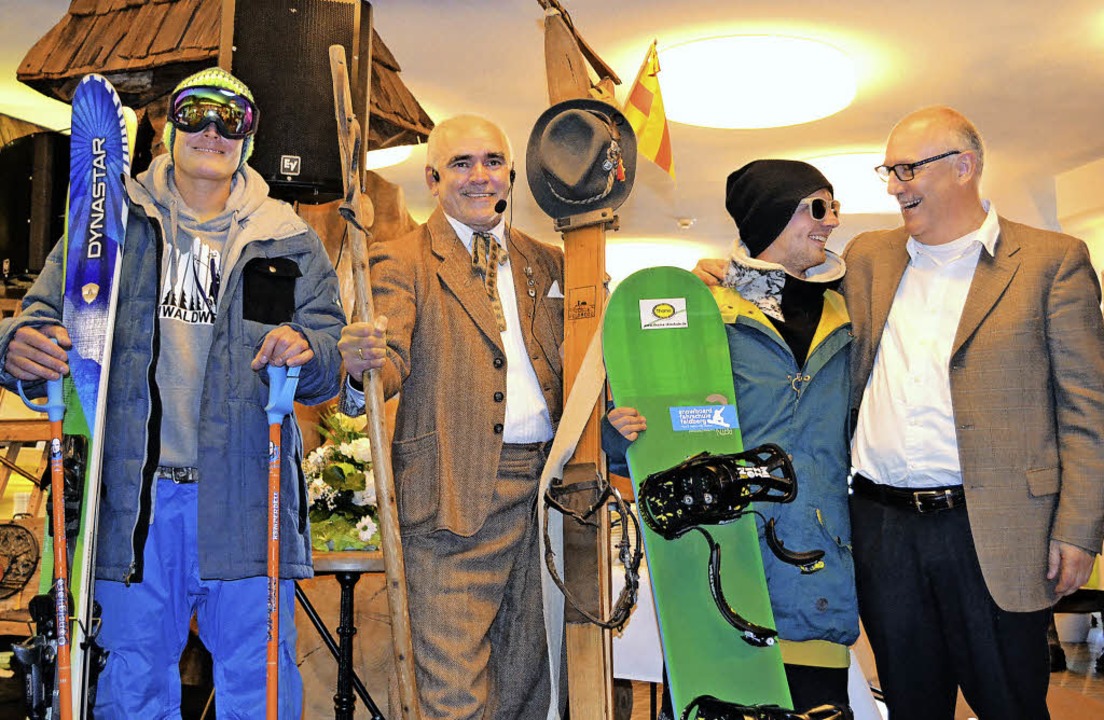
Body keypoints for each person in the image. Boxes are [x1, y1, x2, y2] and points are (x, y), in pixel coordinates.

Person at [694, 107, 1104, 718]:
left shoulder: (1051, 260)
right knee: (910, 704)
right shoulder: (868, 258)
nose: (893, 185)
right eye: (888, 170)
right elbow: (787, 288)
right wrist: (720, 278)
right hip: (882, 529)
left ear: (964, 167)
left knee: (1010, 703)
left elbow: (1086, 408)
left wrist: (1077, 528)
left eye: (907, 169)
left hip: (993, 529)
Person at [0, 67, 345, 718]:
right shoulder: (108, 221)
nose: (213, 130)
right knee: (130, 686)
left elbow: (331, 353)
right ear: (166, 128)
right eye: (195, 113)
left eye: (232, 118)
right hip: (133, 503)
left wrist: (310, 348)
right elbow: (40, 318)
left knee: (261, 689)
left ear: (250, 138)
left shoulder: (289, 238)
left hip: (247, 497)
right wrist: (18, 347)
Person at [606, 159, 858, 713]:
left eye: (834, 206)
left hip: (818, 566)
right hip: (719, 567)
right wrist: (617, 437)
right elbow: (642, 439)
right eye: (818, 207)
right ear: (772, 215)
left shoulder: (849, 312)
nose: (833, 221)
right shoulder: (703, 316)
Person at [338, 114, 564, 719]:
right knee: (450, 693)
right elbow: (387, 357)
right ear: (433, 179)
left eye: (492, 161)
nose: (479, 175)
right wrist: (362, 370)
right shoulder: (400, 260)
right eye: (461, 164)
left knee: (531, 687)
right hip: (449, 499)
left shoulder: (553, 264)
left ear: (510, 174)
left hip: (549, 499)